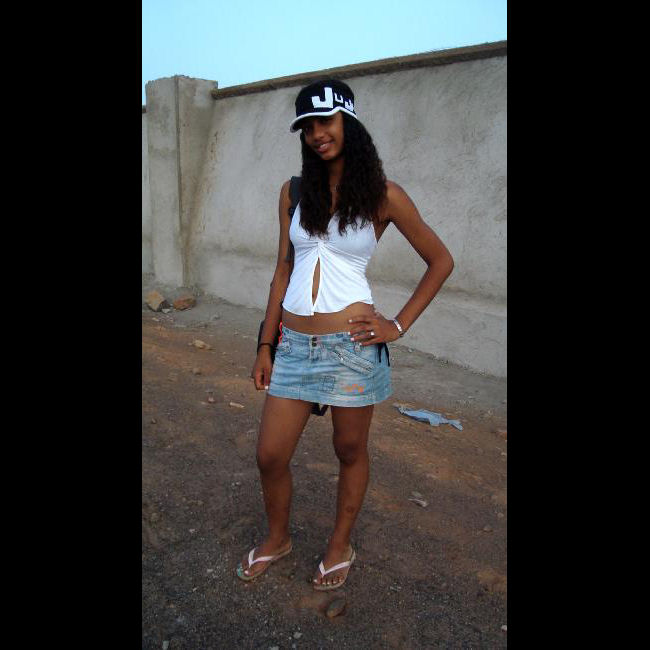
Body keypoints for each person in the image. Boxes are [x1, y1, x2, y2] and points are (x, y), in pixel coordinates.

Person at [237, 79, 454, 590]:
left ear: (348, 123)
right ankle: (277, 539)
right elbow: (283, 269)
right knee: (270, 454)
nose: (318, 134)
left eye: (327, 121)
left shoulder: (383, 195)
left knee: (349, 450)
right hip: (294, 345)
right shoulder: (294, 192)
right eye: (308, 126)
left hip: (351, 350)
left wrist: (396, 325)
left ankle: (339, 545)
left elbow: (441, 260)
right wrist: (266, 343)